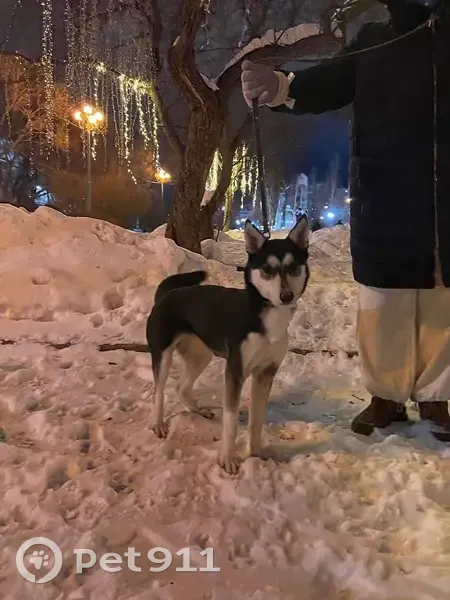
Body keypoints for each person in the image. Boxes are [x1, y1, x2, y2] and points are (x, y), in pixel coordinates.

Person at [241, 0, 450, 441]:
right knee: (383, 305)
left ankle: (437, 398)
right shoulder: (375, 40)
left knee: (443, 305)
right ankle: (386, 397)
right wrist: (279, 86)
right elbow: (326, 83)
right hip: (386, 197)